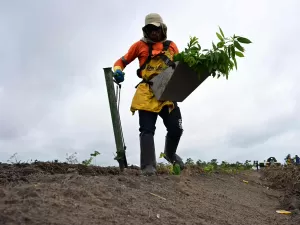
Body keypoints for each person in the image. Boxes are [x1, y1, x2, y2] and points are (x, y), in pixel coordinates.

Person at [112, 13, 184, 175]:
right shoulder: (139, 46)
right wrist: (117, 71)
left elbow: (180, 66)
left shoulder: (171, 46)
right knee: (147, 130)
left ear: (162, 29)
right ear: (145, 30)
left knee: (176, 129)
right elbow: (120, 62)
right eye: (149, 28)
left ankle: (170, 154)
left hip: (166, 92)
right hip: (147, 92)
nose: (153, 32)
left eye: (156, 28)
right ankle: (148, 168)